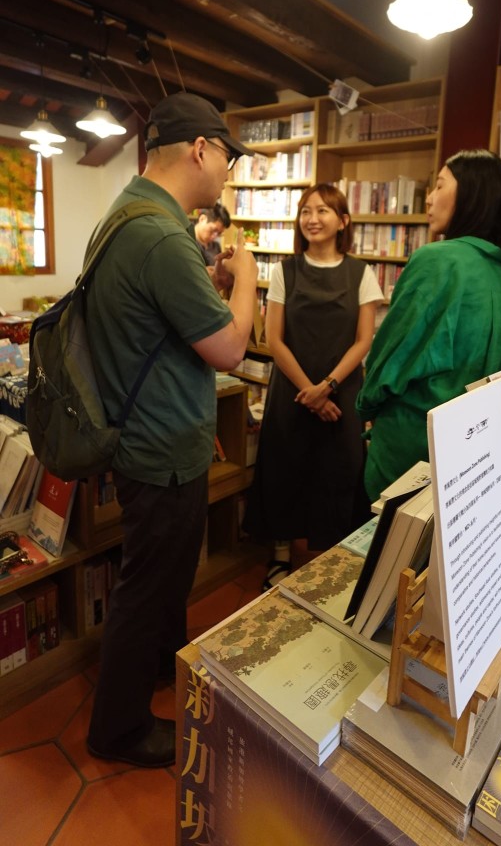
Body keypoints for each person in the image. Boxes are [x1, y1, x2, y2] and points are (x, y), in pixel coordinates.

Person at [84, 92, 258, 768]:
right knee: (148, 587)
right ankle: (118, 729)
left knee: (155, 578)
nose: (227, 175)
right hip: (159, 448)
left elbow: (159, 323)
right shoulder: (161, 233)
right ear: (201, 150)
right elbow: (230, 348)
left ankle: (153, 673)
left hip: (143, 434)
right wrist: (246, 278)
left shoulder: (129, 213)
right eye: (227, 160)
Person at [356, 149, 501, 502]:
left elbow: (390, 356)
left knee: (388, 531)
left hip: (413, 443)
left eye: (439, 185)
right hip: (473, 450)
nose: (429, 198)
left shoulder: (437, 260)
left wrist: (366, 409)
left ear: (471, 194)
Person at [243, 183, 384, 588]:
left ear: (343, 221)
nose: (312, 218)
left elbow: (364, 341)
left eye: (323, 210)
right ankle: (280, 554)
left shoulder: (361, 273)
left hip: (341, 391)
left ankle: (334, 560)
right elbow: (274, 339)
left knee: (339, 470)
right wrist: (310, 390)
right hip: (292, 390)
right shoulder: (284, 271)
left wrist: (327, 386)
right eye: (306, 210)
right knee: (284, 468)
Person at [193, 201, 231, 266]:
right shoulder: (186, 241)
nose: (215, 236)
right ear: (202, 219)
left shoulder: (216, 247)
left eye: (219, 233)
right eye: (213, 230)